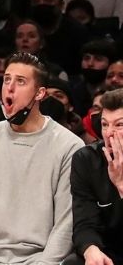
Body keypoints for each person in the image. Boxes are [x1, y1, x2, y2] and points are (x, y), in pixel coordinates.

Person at [0, 52, 82, 265]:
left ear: (40, 93)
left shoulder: (69, 146)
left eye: (20, 81)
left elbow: (65, 223)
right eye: (7, 79)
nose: (10, 88)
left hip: (41, 258)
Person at [70, 87, 122, 265]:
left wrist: (121, 185)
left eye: (119, 125)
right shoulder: (85, 160)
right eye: (105, 124)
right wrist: (90, 249)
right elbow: (84, 222)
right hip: (107, 250)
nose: (109, 133)